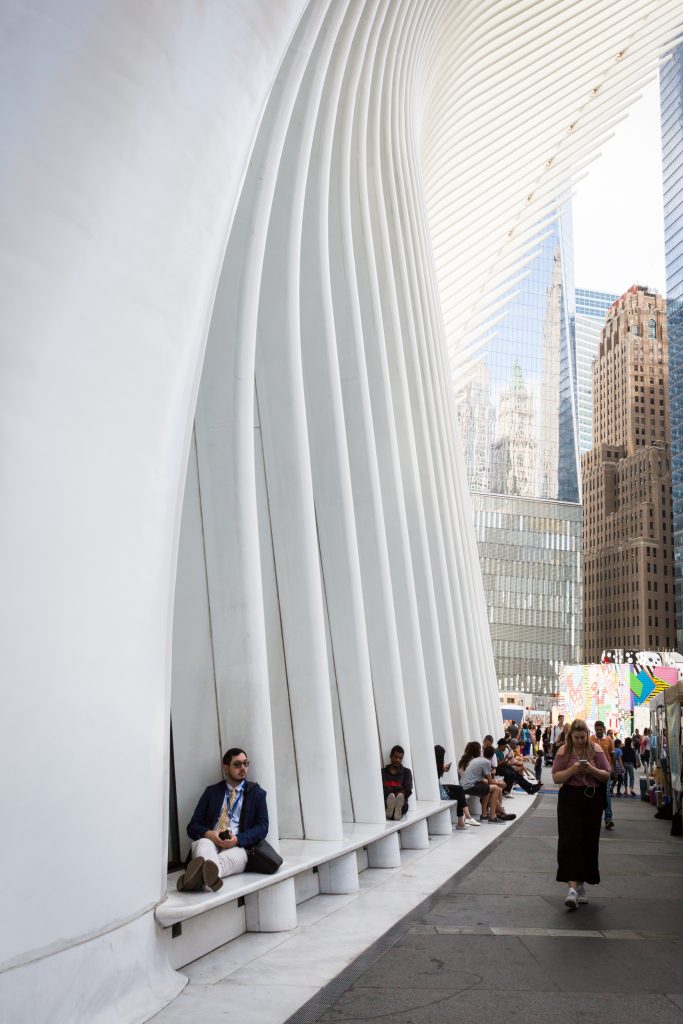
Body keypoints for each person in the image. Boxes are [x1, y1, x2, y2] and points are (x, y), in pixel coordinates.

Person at [179, 747, 269, 892]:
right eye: (237, 764)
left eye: (245, 763)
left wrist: (238, 839)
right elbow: (192, 826)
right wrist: (209, 834)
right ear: (226, 768)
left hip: (238, 848)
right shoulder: (211, 792)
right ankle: (209, 878)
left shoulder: (257, 794)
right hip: (210, 843)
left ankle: (197, 879)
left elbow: (262, 827)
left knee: (224, 860)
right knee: (203, 843)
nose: (243, 768)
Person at [552, 718, 611, 910]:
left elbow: (606, 774)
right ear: (571, 736)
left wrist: (591, 768)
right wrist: (573, 769)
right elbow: (556, 777)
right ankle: (571, 889)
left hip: (591, 798)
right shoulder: (564, 751)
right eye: (576, 737)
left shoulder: (596, 749)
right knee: (570, 840)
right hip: (570, 797)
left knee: (588, 841)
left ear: (587, 734)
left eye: (582, 737)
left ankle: (582, 885)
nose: (579, 740)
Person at [458, 741, 515, 823]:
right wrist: (499, 783)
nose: (481, 750)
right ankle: (494, 815)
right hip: (469, 786)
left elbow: (479, 778)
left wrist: (492, 782)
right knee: (495, 788)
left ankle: (492, 814)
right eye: (479, 749)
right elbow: (490, 781)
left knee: (489, 789)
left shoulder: (475, 760)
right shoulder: (485, 762)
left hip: (466, 785)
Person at [434, 745, 480, 828]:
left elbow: (437, 775)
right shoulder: (434, 766)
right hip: (438, 789)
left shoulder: (436, 765)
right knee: (460, 793)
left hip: (439, 786)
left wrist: (443, 770)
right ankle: (464, 819)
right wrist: (442, 770)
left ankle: (464, 819)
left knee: (460, 791)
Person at [592, 720, 615, 830]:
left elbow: (612, 755)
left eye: (601, 729)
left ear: (604, 729)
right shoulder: (590, 739)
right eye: (597, 730)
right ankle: (594, 819)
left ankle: (608, 819)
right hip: (594, 772)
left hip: (606, 772)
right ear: (595, 729)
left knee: (606, 794)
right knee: (594, 794)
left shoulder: (609, 740)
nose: (599, 731)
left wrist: (614, 769)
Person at [381, 745, 413, 820]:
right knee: (386, 802)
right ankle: (391, 811)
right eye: (396, 757)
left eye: (400, 758)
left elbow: (407, 790)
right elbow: (380, 790)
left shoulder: (406, 772)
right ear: (391, 756)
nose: (398, 760)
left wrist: (396, 797)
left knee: (403, 804)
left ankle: (391, 812)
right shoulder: (383, 772)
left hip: (401, 802)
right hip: (386, 801)